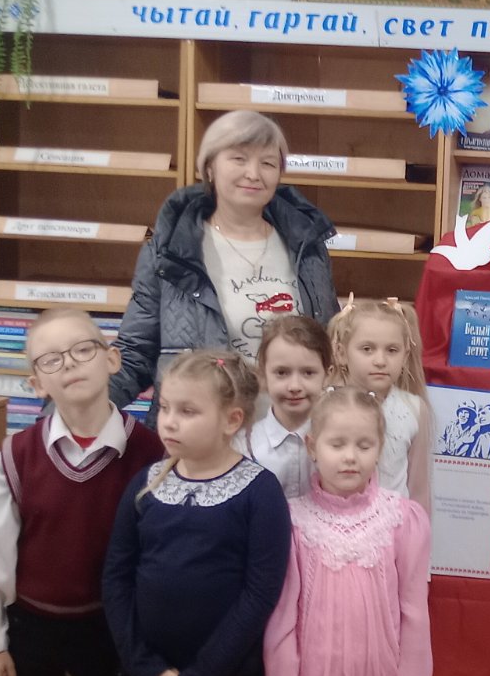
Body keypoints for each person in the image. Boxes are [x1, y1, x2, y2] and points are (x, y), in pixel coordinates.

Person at [0, 308, 165, 676]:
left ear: (112, 360)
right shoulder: (16, 456)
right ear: (37, 384)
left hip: (113, 626)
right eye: (51, 359)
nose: (70, 363)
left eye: (82, 349)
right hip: (32, 625)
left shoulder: (152, 454)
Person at [103, 350, 291, 676]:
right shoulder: (146, 484)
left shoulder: (260, 492)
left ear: (232, 420)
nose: (169, 421)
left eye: (187, 411)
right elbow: (116, 578)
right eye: (166, 407)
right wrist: (143, 667)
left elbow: (260, 593)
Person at [111, 110, 341, 422]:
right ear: (209, 167)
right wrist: (78, 409)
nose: (253, 173)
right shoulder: (170, 251)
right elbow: (135, 353)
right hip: (204, 434)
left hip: (297, 433)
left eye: (268, 163)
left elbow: (329, 345)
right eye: (239, 159)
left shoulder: (308, 247)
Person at [263, 386, 433, 676]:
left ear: (380, 448)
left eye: (364, 445)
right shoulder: (291, 522)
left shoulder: (402, 519)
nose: (350, 457)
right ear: (312, 446)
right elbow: (281, 619)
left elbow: (414, 613)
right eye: (337, 444)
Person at [328, 297, 431, 512]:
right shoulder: (325, 406)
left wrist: (420, 529)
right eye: (367, 349)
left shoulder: (413, 409)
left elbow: (419, 488)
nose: (380, 361)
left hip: (394, 526)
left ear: (405, 355)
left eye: (392, 350)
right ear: (341, 353)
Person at [241, 314, 332, 502]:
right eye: (282, 373)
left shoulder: (339, 442)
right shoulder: (244, 447)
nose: (294, 386)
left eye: (308, 373)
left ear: (327, 375)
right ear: (263, 374)